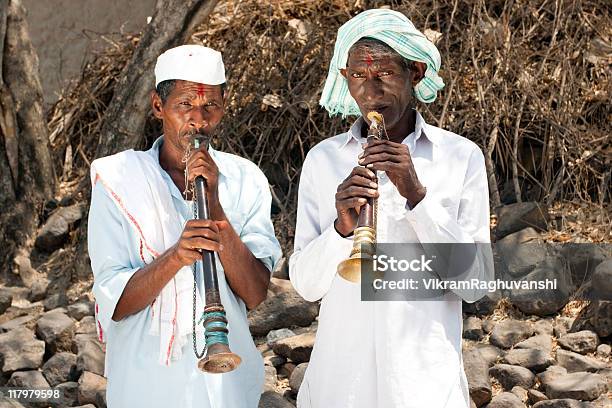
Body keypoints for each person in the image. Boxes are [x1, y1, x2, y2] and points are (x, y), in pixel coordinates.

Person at [289, 9, 493, 408]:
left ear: (415, 73)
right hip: (340, 384)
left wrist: (416, 194)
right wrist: (341, 230)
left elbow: (475, 284)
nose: (371, 92)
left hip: (424, 386)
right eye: (359, 77)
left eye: (384, 74)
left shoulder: (460, 156)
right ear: (346, 79)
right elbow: (306, 285)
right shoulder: (322, 159)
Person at [88, 44, 281, 408]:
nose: (198, 121)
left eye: (210, 107)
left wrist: (218, 214)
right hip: (147, 384)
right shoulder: (117, 180)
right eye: (185, 106)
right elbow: (115, 299)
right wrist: (176, 257)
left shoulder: (245, 179)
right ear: (158, 107)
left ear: (223, 106)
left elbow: (255, 293)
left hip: (228, 386)